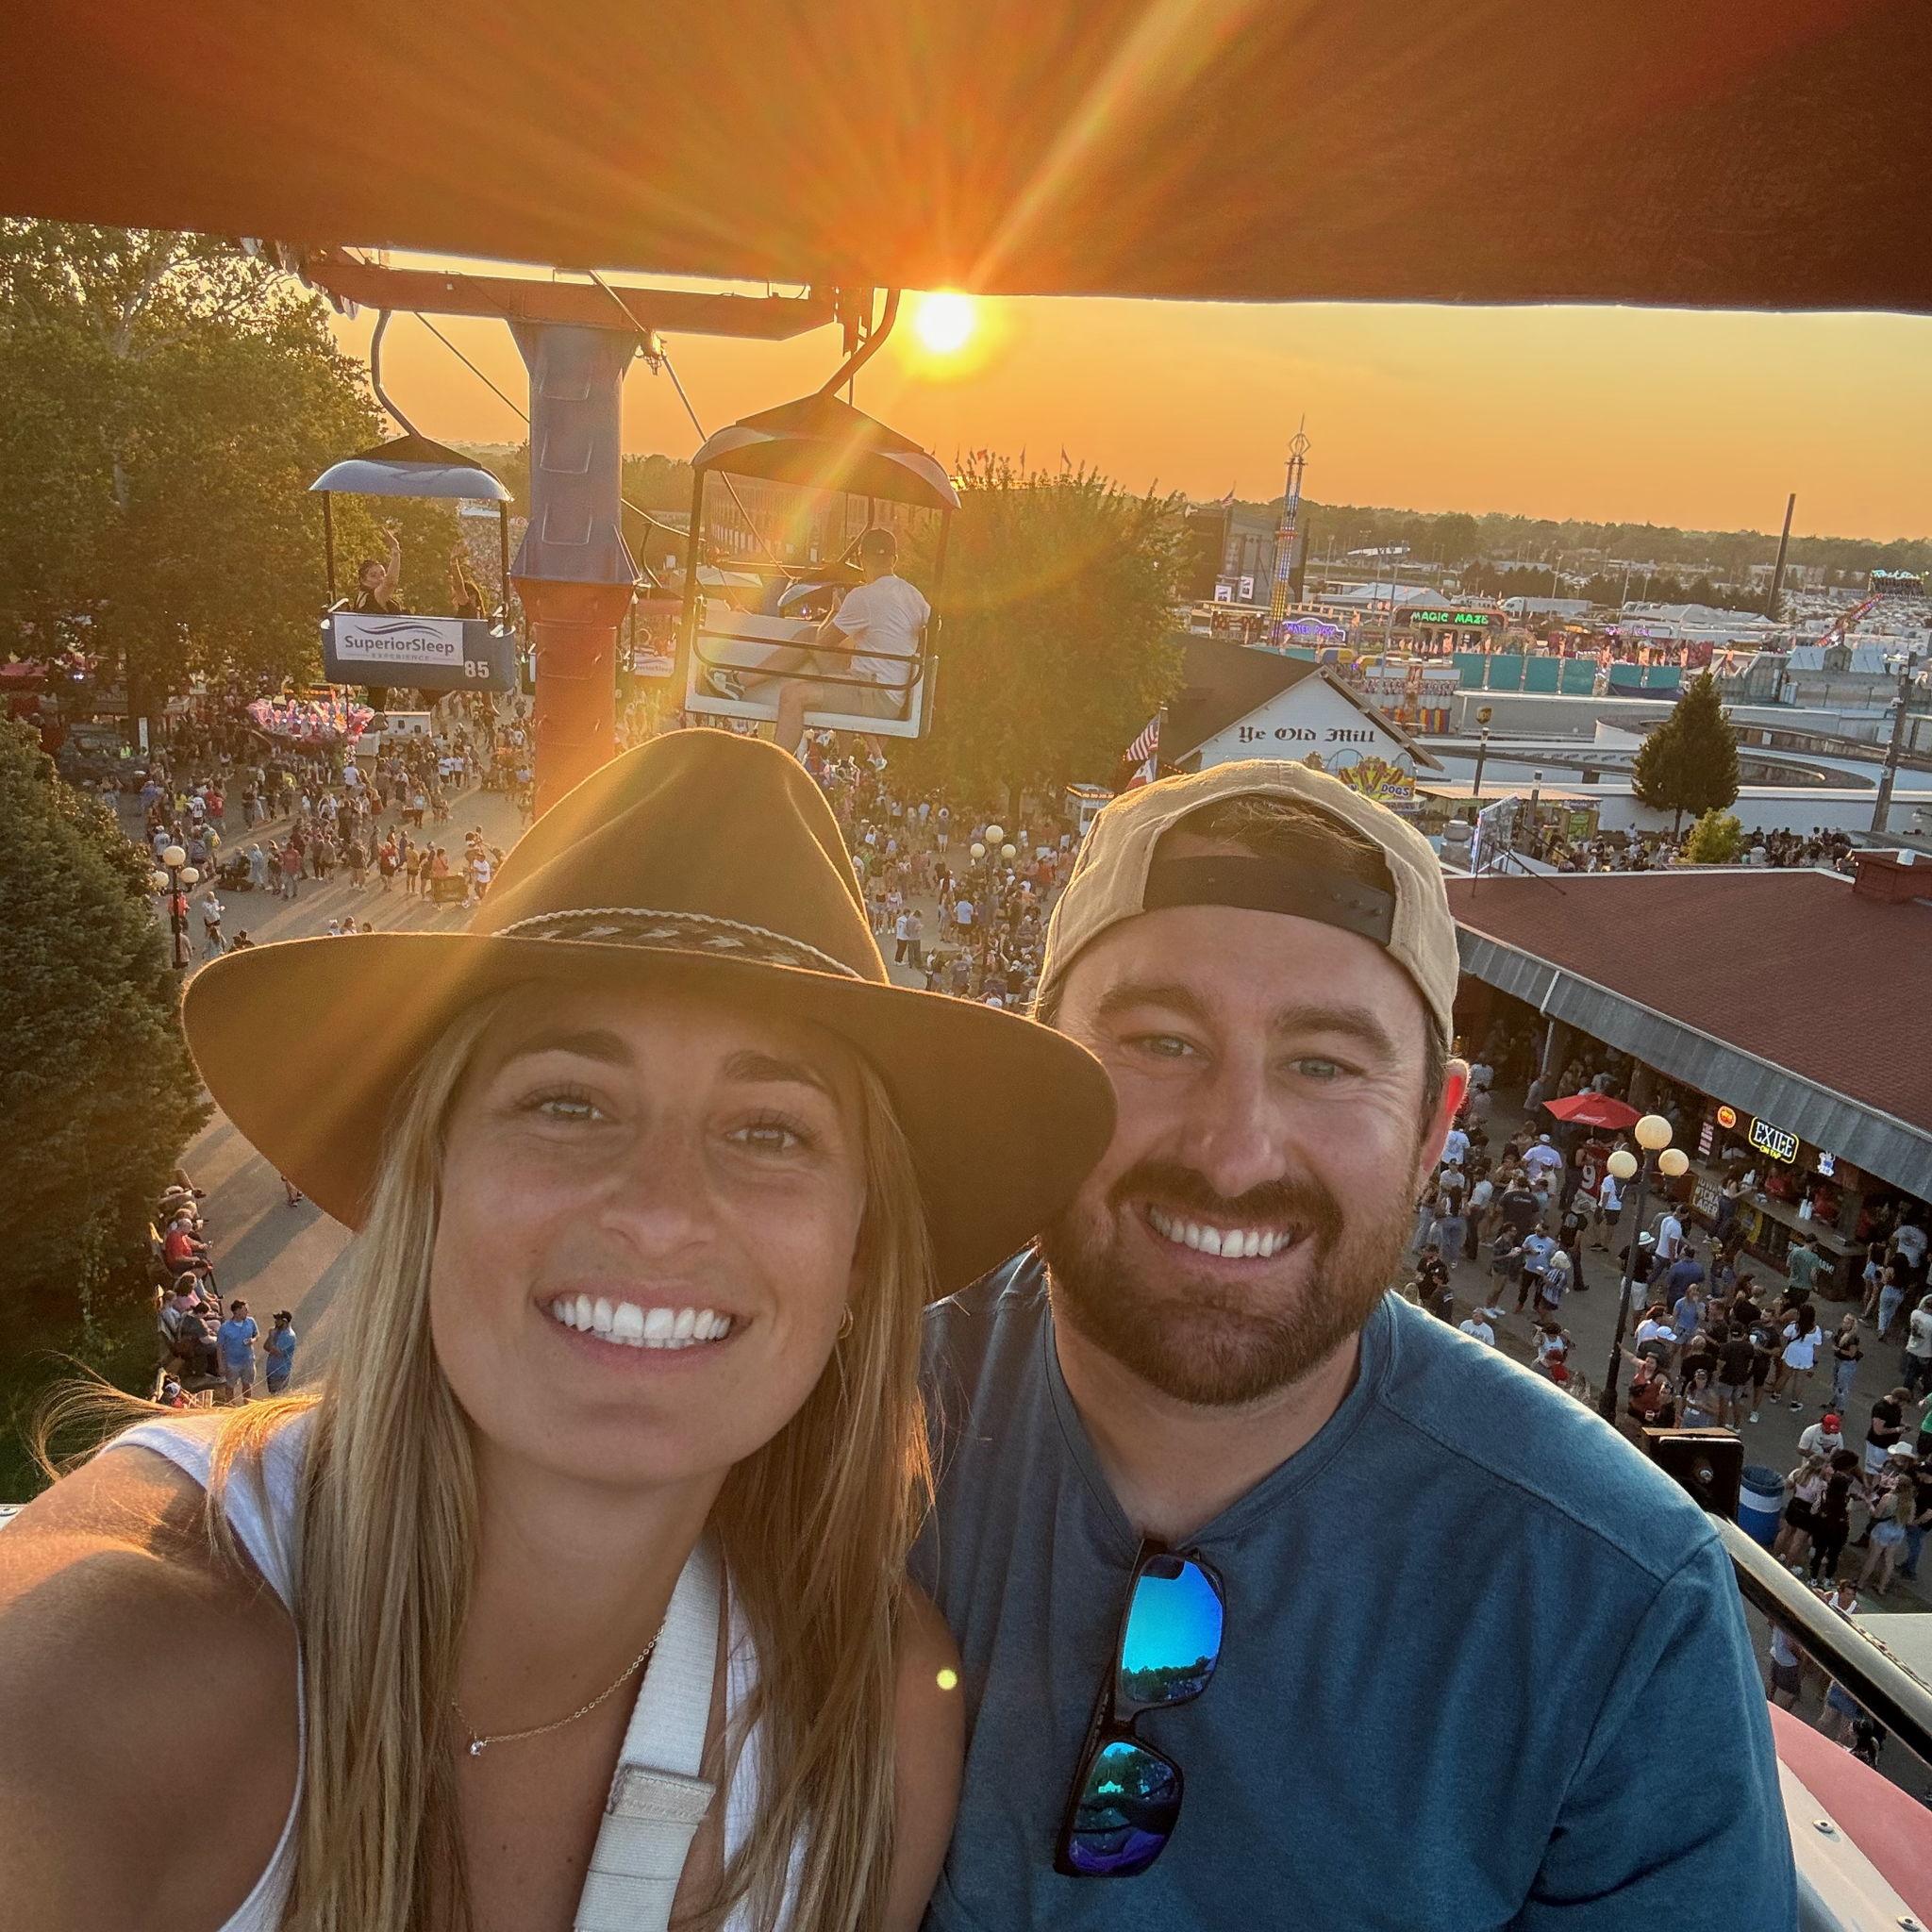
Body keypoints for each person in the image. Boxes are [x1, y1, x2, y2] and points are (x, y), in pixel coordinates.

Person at [0, 732, 1116, 1930]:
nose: (660, 1210)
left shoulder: (868, 1723)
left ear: (857, 1251)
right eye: (566, 1102)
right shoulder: (110, 1667)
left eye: (770, 1130)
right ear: (422, 1181)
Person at [914, 759, 1793, 1924]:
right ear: (1039, 1074)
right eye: (1160, 1042)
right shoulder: (824, 1428)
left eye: (1322, 1065)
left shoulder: (1613, 1603)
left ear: (1434, 1127)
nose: (1233, 1153)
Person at [768, 527, 931, 760]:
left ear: (862, 559)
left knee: (792, 695)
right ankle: (742, 681)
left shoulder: (863, 596)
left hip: (873, 695)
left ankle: (777, 765)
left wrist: (834, 612)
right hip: (890, 693)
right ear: (894, 560)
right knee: (810, 639)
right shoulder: (915, 596)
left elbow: (823, 642)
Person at [352, 524, 405, 613]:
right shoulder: (372, 597)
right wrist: (395, 551)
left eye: (382, 574)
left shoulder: (368, 597)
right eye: (373, 575)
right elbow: (390, 582)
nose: (380, 578)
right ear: (363, 580)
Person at [216, 1297, 259, 1404]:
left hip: (248, 1361)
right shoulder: (225, 1328)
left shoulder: (250, 1321)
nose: (247, 1312)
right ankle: (230, 1404)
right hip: (232, 1363)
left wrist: (252, 1340)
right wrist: (221, 1364)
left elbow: (257, 1335)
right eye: (245, 1310)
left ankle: (247, 1404)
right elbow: (219, 1347)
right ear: (237, 1311)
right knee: (230, 1385)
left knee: (247, 1384)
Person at [1903, 1291, 1932, 1398]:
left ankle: (1907, 1391)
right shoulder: (1930, 1322)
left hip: (1912, 1346)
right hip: (1925, 1352)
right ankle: (1925, 1392)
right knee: (1924, 1373)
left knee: (1910, 1371)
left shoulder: (1915, 1314)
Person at [263, 1311, 297, 1396]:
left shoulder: (289, 1336)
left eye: (278, 1320)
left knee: (277, 1397)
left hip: (281, 1372)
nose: (275, 1322)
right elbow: (266, 1347)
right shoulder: (277, 1332)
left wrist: (271, 1336)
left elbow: (277, 1352)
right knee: (273, 1395)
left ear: (285, 1322)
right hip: (272, 1370)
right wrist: (271, 1336)